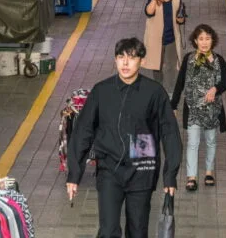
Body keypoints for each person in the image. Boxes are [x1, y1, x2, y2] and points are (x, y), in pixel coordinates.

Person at [66, 37, 182, 238]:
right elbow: (83, 130)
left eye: (131, 58)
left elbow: (170, 132)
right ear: (115, 60)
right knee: (108, 230)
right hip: (109, 170)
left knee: (137, 231)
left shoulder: (154, 92)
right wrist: (74, 174)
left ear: (142, 61)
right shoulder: (102, 91)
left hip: (142, 170)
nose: (125, 63)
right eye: (121, 57)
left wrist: (170, 175)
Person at [170, 24, 226, 192]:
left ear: (213, 41)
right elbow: (180, 82)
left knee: (211, 141)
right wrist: (173, 104)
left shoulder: (219, 61)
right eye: (201, 39)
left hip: (212, 110)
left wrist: (215, 89)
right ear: (195, 41)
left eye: (208, 39)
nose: (204, 43)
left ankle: (209, 172)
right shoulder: (188, 59)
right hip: (193, 109)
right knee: (192, 142)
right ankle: (192, 177)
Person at [144, 0, 186, 81]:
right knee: (156, 67)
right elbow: (149, 12)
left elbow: (181, 19)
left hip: (171, 39)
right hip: (155, 40)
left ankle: (170, 91)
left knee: (171, 67)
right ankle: (159, 89)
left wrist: (180, 19)